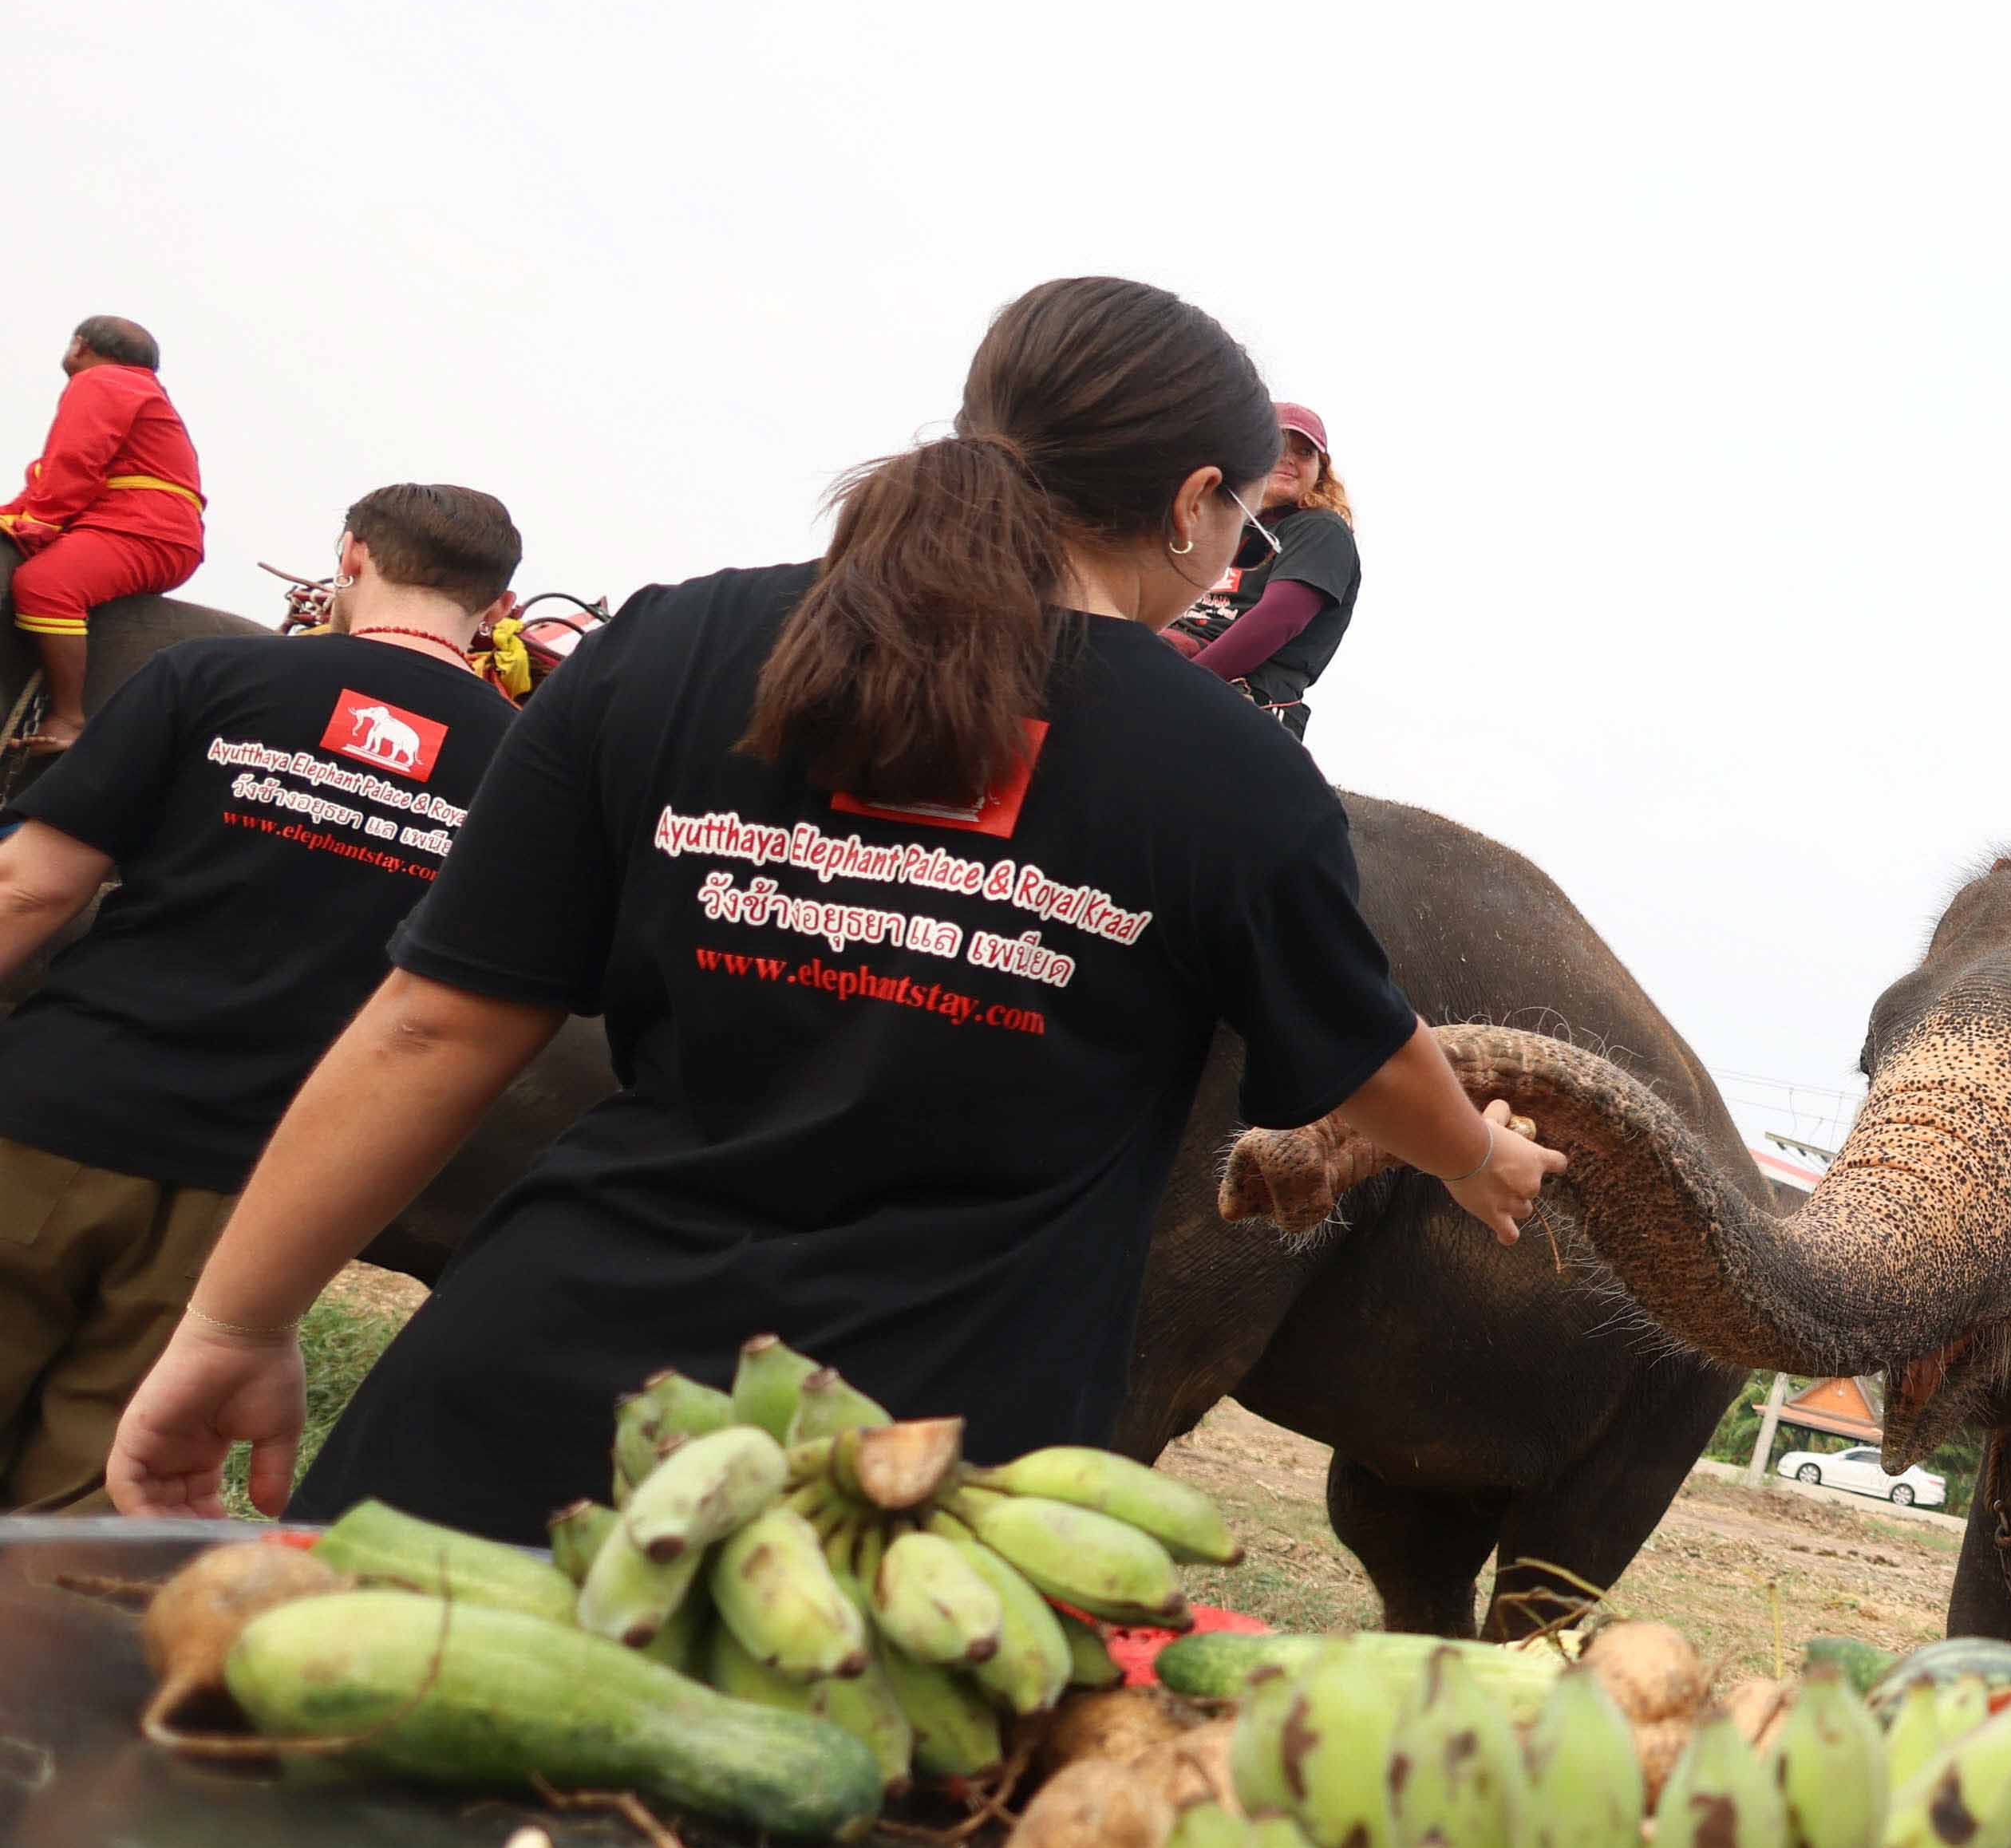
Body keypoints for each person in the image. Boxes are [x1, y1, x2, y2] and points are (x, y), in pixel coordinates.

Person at [105, 279, 1554, 1536]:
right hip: (910, 1512)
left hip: (520, 1428)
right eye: (1238, 517)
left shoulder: (674, 642)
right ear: (1191, 503)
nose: (1235, 552)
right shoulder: (1229, 772)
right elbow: (1363, 1063)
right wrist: (1476, 1157)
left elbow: (430, 1025)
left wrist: (235, 1321)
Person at [0, 487, 527, 1510]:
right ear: (498, 605)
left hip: (47, 1116)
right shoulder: (527, 767)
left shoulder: (212, 672)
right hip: (252, 1195)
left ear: (353, 554)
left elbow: (33, 885)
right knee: (87, 1514)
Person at [4, 318, 211, 750]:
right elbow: (53, 480)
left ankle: (67, 717)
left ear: (79, 346)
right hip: (132, 526)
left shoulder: (104, 381)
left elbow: (75, 462)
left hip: (141, 530)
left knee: (44, 586)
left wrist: (38, 523)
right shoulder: (133, 389)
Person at [1172, 401, 1357, 735]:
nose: (1289, 458)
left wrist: (1182, 686)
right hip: (1170, 659)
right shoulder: (1213, 524)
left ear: (1320, 472)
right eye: (1277, 445)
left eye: (1304, 452)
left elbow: (1281, 619)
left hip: (1247, 693)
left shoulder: (1319, 530)